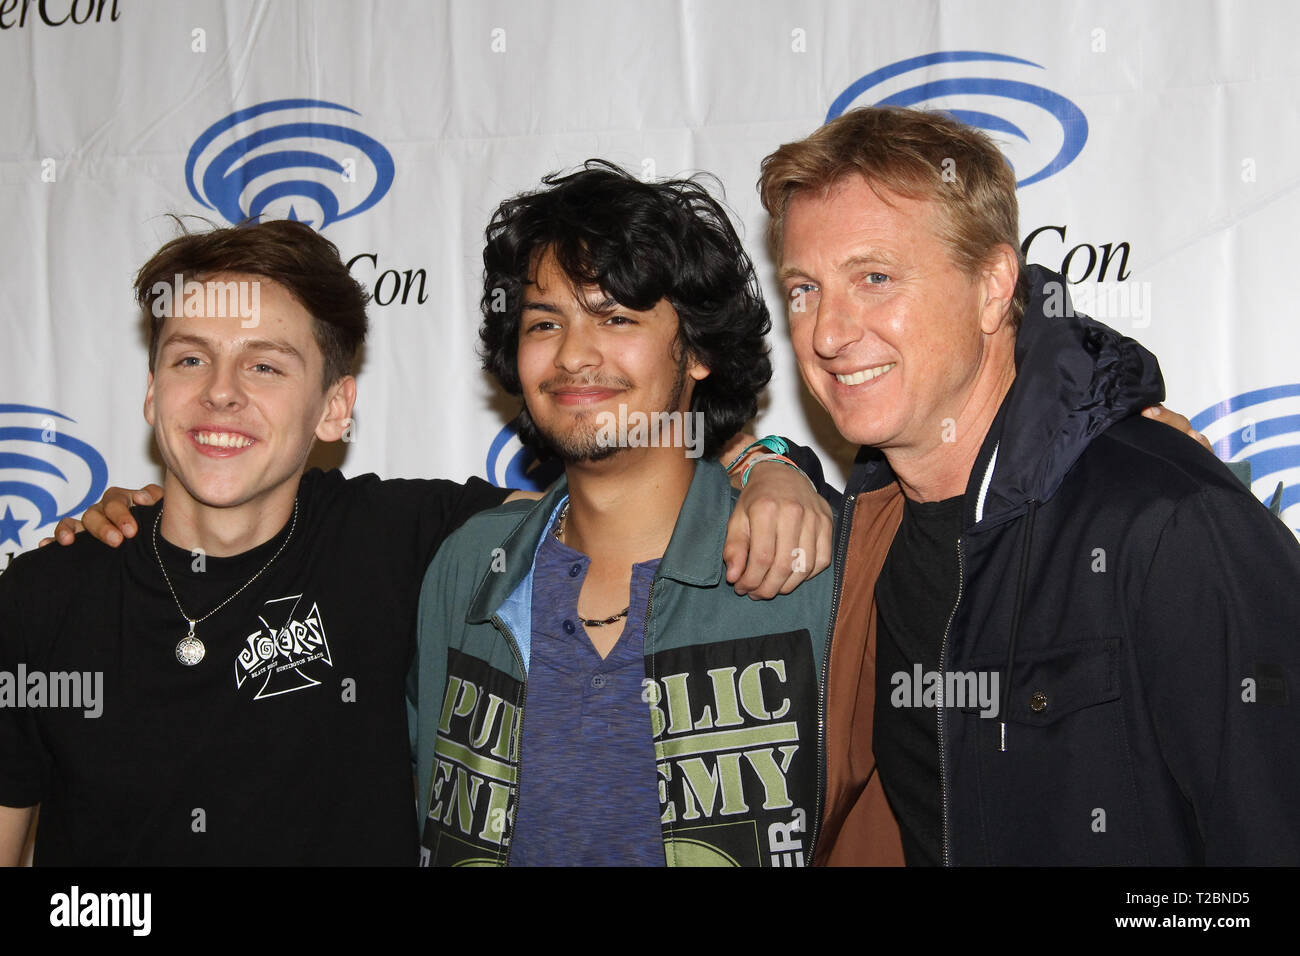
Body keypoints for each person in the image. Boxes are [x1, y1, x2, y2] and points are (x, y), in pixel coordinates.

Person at [0, 218, 826, 866]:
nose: (220, 394)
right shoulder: (43, 596)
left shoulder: (414, 544)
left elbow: (618, 468)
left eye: (265, 367)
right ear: (152, 392)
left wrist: (770, 465)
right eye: (190, 359)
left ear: (335, 407)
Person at [758, 105, 1300, 865]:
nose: (826, 333)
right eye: (805, 289)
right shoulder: (863, 540)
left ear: (991, 286)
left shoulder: (1169, 522)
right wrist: (767, 462)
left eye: (874, 278)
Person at [410, 162, 835, 866]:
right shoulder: (468, 567)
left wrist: (775, 464)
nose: (575, 354)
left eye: (616, 317)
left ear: (695, 350)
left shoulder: (806, 565)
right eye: (545, 321)